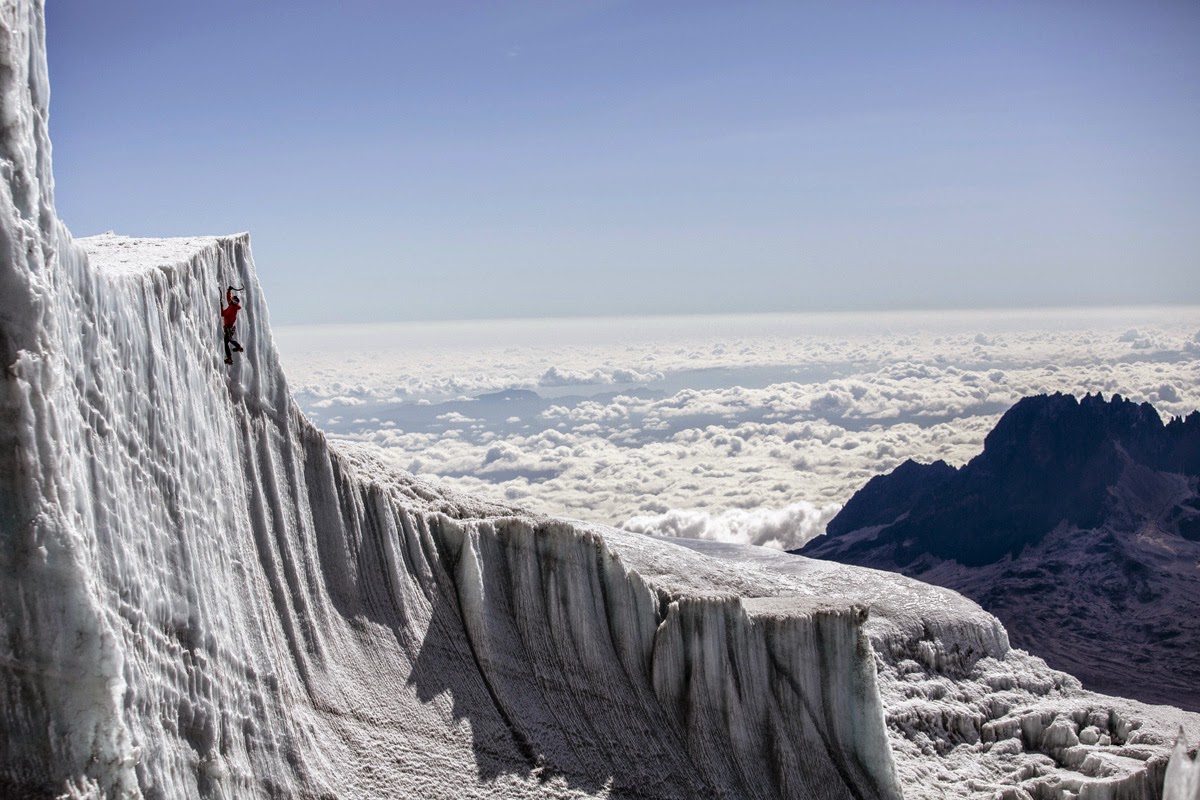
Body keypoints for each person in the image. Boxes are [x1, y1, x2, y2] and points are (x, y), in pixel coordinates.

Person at [221, 286, 245, 364]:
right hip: (230, 327)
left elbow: (223, 314)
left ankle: (230, 357)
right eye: (233, 300)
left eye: (234, 301)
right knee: (229, 340)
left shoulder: (231, 308)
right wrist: (229, 291)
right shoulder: (233, 306)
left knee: (227, 341)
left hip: (229, 327)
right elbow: (229, 299)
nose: (232, 301)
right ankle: (237, 348)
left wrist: (221, 307)